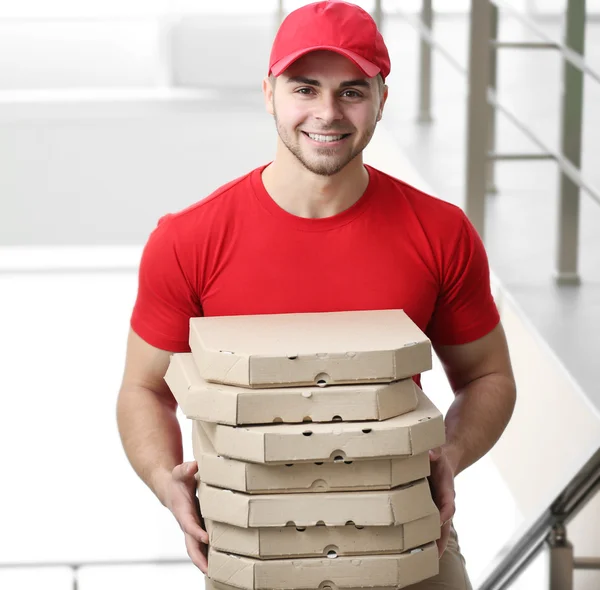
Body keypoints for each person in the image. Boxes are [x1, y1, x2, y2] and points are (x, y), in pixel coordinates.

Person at [116, 1, 517, 588]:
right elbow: (143, 388)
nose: (328, 113)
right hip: (252, 550)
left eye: (352, 91)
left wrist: (449, 456)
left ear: (383, 97)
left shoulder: (439, 231)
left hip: (406, 536)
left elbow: (489, 376)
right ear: (269, 92)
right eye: (305, 88)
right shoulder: (189, 240)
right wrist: (163, 477)